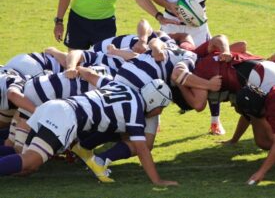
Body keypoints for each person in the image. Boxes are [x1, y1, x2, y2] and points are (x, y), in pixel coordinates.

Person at [0, 67, 178, 186]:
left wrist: (76, 68)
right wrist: (157, 180)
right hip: (66, 117)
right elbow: (142, 149)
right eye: (161, 108)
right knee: (30, 160)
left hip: (55, 106)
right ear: (154, 102)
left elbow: (87, 73)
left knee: (27, 167)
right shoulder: (135, 112)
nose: (160, 112)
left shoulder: (119, 85)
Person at [149, 0, 232, 135]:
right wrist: (169, 5)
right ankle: (155, 119)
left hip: (198, 27)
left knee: (209, 69)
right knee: (161, 70)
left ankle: (215, 121)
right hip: (171, 25)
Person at [54, 0, 177, 51]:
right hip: (78, 21)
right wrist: (59, 21)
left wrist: (158, 15)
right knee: (73, 60)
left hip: (104, 25)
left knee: (103, 63)